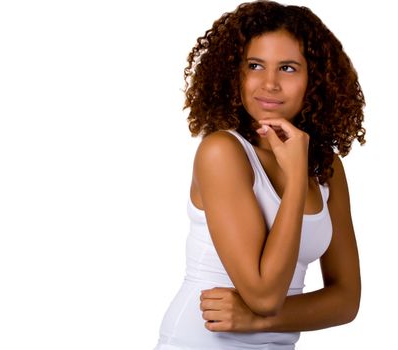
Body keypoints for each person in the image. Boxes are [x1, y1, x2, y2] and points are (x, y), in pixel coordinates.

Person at [153, 1, 365, 349]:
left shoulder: (326, 167)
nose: (269, 84)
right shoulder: (222, 152)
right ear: (234, 73)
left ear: (315, 79)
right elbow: (264, 294)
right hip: (202, 340)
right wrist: (296, 179)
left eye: (288, 68)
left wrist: (257, 320)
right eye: (255, 65)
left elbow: (345, 301)